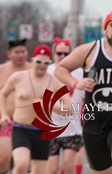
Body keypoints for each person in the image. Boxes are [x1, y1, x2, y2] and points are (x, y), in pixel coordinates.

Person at [55, 8, 112, 174]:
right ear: (105, 28)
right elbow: (60, 68)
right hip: (94, 121)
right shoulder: (90, 50)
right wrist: (76, 82)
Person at [0, 45, 68, 174]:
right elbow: (2, 94)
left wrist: (47, 105)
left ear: (49, 63)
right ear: (32, 60)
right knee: (21, 164)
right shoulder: (18, 77)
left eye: (46, 63)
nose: (42, 65)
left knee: (39, 171)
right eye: (38, 62)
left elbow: (68, 110)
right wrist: (4, 114)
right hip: (21, 129)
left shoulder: (55, 83)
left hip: (43, 131)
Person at [46, 38, 84, 174]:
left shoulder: (79, 72)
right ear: (54, 53)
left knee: (68, 167)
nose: (62, 57)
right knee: (51, 169)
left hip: (72, 128)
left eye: (66, 54)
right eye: (59, 53)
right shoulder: (47, 71)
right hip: (50, 128)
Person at [0, 39, 32, 174]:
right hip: (6, 120)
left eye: (23, 52)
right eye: (17, 52)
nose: (21, 55)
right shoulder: (2, 69)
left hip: (27, 121)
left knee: (25, 162)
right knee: (3, 158)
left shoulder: (33, 69)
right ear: (9, 54)